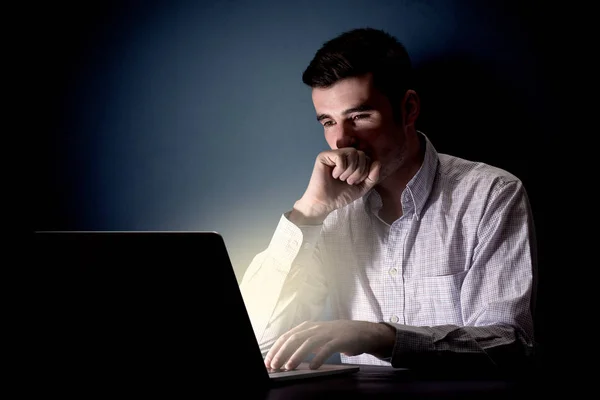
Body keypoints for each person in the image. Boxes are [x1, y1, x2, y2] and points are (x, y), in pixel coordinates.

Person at [239, 27, 537, 373]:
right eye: (328, 121)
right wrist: (308, 214)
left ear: (408, 109)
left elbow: (508, 344)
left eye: (359, 116)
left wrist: (381, 337)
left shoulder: (491, 194)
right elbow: (258, 337)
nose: (341, 141)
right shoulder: (330, 215)